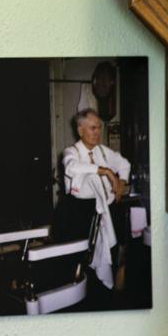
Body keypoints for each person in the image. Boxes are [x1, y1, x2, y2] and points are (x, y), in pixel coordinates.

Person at [62, 108, 130, 288]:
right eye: (93, 128)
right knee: (84, 265)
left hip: (108, 211)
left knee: (112, 257)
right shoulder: (71, 152)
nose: (98, 132)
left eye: (99, 128)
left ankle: (109, 298)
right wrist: (103, 170)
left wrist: (121, 181)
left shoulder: (103, 152)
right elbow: (71, 168)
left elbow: (124, 164)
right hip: (81, 215)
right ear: (80, 130)